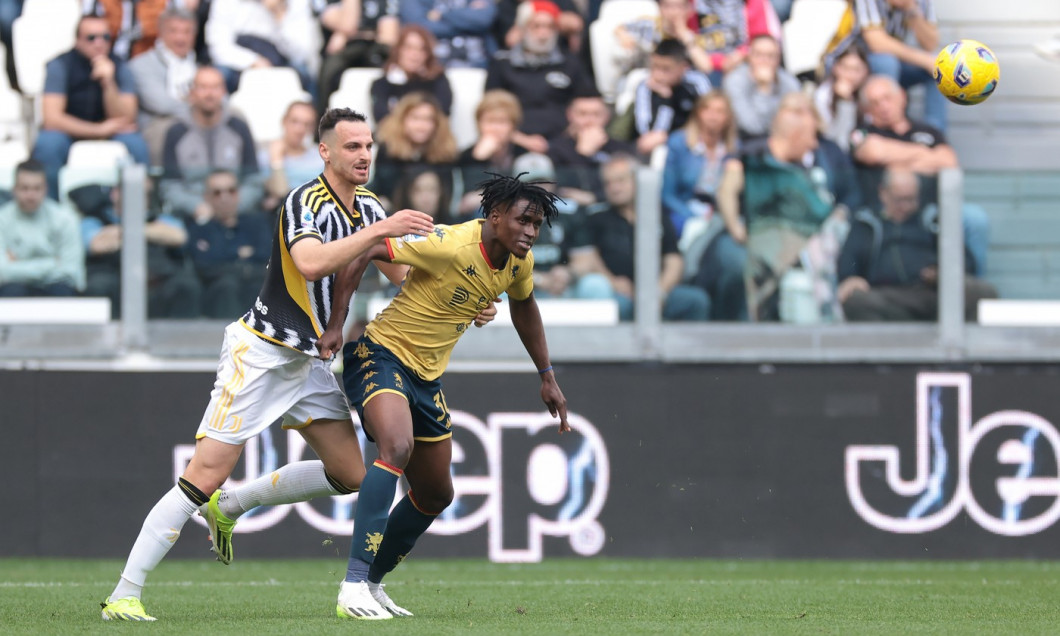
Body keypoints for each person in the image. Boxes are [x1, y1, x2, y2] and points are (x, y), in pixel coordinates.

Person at [99, 108, 438, 622]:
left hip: (311, 363)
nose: (364, 155)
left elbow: (397, 272)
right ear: (325, 151)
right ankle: (124, 593)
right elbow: (310, 262)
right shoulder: (304, 200)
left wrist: (457, 295)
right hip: (261, 352)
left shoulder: (369, 207)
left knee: (350, 474)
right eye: (352, 146)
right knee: (203, 475)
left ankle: (232, 507)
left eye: (368, 145)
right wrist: (382, 231)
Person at [329, 172, 570, 619]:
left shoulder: (519, 263)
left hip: (426, 378)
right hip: (379, 355)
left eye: (537, 225)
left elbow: (524, 305)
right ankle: (352, 584)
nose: (531, 233)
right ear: (495, 216)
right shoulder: (448, 243)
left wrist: (546, 374)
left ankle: (373, 582)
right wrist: (336, 325)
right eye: (523, 221)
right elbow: (366, 249)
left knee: (436, 493)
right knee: (395, 447)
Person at [718, 95, 858, 321]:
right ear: (794, 135)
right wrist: (736, 228)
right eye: (810, 137)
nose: (814, 144)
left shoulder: (812, 161)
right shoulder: (753, 155)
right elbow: (727, 190)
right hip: (753, 237)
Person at [851, 75, 990, 274]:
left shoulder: (928, 131)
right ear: (866, 109)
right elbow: (872, 152)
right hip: (885, 211)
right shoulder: (863, 132)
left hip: (932, 209)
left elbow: (949, 162)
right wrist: (923, 154)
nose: (883, 106)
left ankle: (974, 288)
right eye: (874, 102)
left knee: (976, 219)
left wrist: (893, 158)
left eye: (887, 98)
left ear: (902, 97)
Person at [837, 168, 997, 321]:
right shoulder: (867, 224)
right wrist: (852, 278)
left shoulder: (931, 220)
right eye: (899, 199)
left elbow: (967, 261)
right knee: (855, 301)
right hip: (887, 297)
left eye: (911, 199)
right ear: (883, 193)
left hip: (933, 296)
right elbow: (847, 264)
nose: (906, 206)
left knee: (983, 292)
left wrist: (940, 273)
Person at [569, 154, 710, 321]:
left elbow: (674, 259)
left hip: (657, 291)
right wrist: (613, 282)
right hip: (618, 292)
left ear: (637, 181)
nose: (614, 188)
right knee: (618, 307)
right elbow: (587, 257)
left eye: (620, 181)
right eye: (608, 183)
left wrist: (660, 291)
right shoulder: (596, 217)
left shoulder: (657, 216)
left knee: (696, 301)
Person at [32, 14, 150, 199]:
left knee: (135, 144)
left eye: (105, 37)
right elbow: (52, 119)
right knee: (48, 144)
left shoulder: (119, 65)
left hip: (110, 129)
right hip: (69, 130)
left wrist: (108, 82)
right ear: (77, 40)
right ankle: (50, 207)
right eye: (91, 37)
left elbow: (127, 117)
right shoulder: (60, 65)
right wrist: (97, 130)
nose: (99, 43)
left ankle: (141, 206)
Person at [660, 90, 745, 321]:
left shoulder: (733, 148)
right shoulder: (679, 143)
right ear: (698, 113)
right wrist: (690, 216)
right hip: (683, 210)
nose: (713, 117)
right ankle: (690, 276)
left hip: (718, 214)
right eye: (708, 110)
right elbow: (666, 192)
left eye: (720, 111)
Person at [75, 180, 201, 319]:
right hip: (114, 277)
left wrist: (122, 232)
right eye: (133, 191)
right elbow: (96, 244)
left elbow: (178, 237)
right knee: (99, 286)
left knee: (186, 286)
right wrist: (151, 232)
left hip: (157, 280)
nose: (138, 198)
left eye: (145, 194)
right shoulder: (95, 219)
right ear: (115, 193)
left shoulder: (161, 218)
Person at [484, 0, 592, 152]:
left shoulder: (570, 63)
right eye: (536, 26)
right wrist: (519, 138)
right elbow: (490, 108)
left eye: (550, 26)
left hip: (564, 143)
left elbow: (588, 102)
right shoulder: (502, 64)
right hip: (513, 143)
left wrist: (573, 131)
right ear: (522, 28)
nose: (543, 34)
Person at [158, 66, 265, 218]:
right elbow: (170, 186)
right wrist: (196, 207)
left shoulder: (238, 127)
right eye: (203, 87)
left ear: (224, 92)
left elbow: (253, 180)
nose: (209, 94)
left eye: (215, 87)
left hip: (237, 213)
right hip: (191, 216)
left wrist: (233, 206)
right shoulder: (177, 131)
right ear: (192, 93)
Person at [822, 0, 946, 132]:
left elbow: (930, 44)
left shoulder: (920, 2)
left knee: (939, 69)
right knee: (886, 62)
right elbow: (877, 43)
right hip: (850, 63)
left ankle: (935, 136)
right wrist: (925, 60)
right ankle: (887, 132)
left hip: (891, 62)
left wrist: (911, 9)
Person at [186, 169, 273, 319]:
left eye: (231, 191)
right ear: (207, 197)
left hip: (257, 299)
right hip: (220, 303)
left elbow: (267, 255)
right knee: (226, 286)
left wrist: (226, 256)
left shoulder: (257, 223)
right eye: (217, 192)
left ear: (238, 194)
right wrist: (242, 254)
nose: (224, 198)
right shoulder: (199, 229)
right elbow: (204, 265)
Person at [0, 160, 84, 297]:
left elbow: (72, 271)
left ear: (45, 189)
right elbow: (2, 272)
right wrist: (53, 263)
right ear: (14, 189)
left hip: (56, 287)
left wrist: (17, 266)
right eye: (24, 188)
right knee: (11, 292)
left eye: (36, 188)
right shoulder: (1, 220)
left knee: (63, 292)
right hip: (14, 289)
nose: (31, 195)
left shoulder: (65, 219)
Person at [128, 7, 200, 165]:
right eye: (173, 31)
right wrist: (201, 109)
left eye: (187, 32)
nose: (180, 38)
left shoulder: (199, 67)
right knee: (175, 132)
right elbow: (161, 104)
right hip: (158, 125)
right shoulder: (141, 65)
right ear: (161, 33)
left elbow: (219, 98)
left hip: (196, 121)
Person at [205, 0, 320, 95]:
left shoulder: (296, 3)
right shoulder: (226, 2)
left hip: (279, 61)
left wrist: (280, 15)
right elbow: (218, 47)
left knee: (304, 74)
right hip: (239, 60)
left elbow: (301, 55)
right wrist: (252, 61)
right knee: (217, 76)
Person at [546, 86, 635, 205]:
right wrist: (583, 154)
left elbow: (629, 188)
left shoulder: (621, 149)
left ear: (606, 117)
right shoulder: (556, 150)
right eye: (582, 114)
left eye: (596, 114)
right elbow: (562, 189)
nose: (589, 120)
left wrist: (595, 197)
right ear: (570, 115)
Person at [369, 92, 458, 207]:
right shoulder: (388, 149)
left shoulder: (444, 152)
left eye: (428, 119)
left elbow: (446, 195)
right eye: (415, 118)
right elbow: (380, 187)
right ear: (402, 120)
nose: (421, 125)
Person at [315, 0, 400, 116]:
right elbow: (348, 25)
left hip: (373, 50)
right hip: (342, 56)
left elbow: (389, 37)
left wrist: (343, 35)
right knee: (330, 72)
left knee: (391, 68)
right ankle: (322, 124)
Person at [627, 38, 712, 155]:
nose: (658, 75)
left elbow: (709, 117)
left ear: (683, 67)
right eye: (655, 67)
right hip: (660, 147)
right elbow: (649, 132)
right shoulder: (645, 86)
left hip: (695, 139)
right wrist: (665, 101)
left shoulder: (697, 82)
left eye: (665, 69)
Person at [456, 89, 529, 218]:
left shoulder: (524, 155)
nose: (495, 128)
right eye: (490, 121)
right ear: (479, 124)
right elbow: (465, 202)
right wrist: (478, 159)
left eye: (502, 122)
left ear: (513, 126)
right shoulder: (465, 156)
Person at [721, 33, 800, 141]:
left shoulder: (789, 82)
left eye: (770, 56)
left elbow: (796, 122)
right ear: (749, 56)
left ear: (778, 59)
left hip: (783, 141)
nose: (764, 60)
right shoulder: (734, 81)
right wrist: (764, 89)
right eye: (758, 55)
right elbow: (753, 128)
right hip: (745, 143)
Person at [369, 25, 453, 124]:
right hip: (393, 136)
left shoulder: (439, 80)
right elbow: (381, 117)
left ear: (428, 54)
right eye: (409, 48)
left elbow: (442, 114)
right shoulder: (382, 84)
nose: (415, 54)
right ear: (398, 50)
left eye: (421, 49)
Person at [260, 100, 325, 215]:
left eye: (307, 124)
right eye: (295, 122)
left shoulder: (320, 157)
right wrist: (276, 160)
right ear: (284, 121)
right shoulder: (265, 156)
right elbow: (279, 193)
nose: (300, 129)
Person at [399, 0, 497, 69]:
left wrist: (442, 15)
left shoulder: (440, 14)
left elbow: (483, 19)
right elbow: (419, 27)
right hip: (435, 69)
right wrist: (468, 25)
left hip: (480, 65)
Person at [813, 44, 870, 154]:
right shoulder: (823, 95)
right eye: (845, 68)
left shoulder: (869, 92)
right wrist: (845, 101)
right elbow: (834, 139)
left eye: (857, 69)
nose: (850, 75)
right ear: (835, 68)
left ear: (865, 71)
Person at [83, 0, 169, 60]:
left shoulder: (161, 3)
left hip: (147, 58)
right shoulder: (100, 3)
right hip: (109, 57)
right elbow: (87, 31)